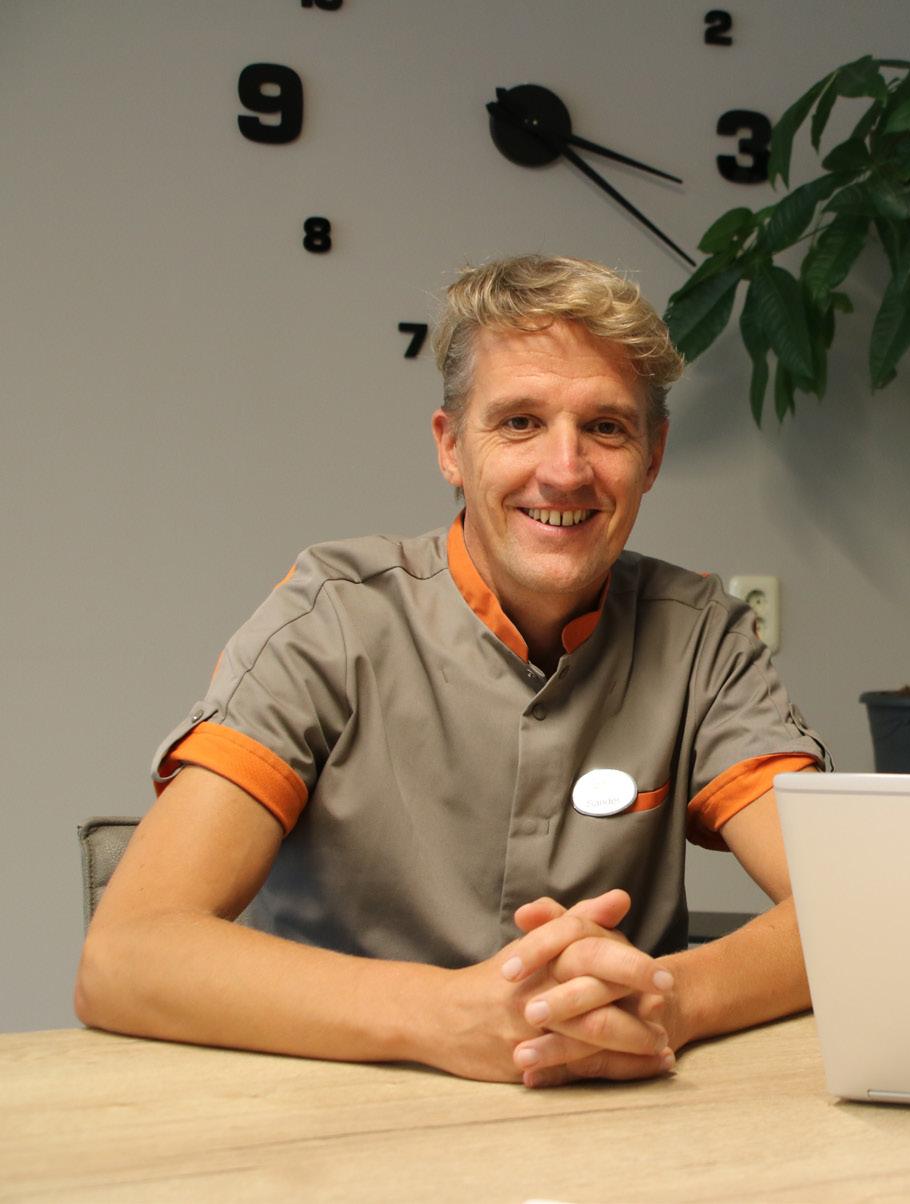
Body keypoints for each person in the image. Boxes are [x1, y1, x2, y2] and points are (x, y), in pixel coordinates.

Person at [76, 254, 828, 1086]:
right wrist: (445, 1016)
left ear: (652, 459)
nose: (565, 469)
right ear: (451, 448)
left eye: (607, 428)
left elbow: (856, 905)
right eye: (519, 423)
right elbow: (126, 954)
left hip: (610, 1114)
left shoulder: (702, 637)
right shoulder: (332, 620)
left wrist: (668, 998)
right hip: (330, 1109)